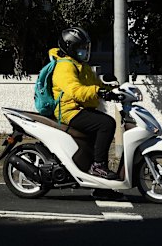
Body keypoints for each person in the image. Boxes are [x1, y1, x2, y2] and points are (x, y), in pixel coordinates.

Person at [49, 27, 119, 180]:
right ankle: (98, 166)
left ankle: (99, 184)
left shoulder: (81, 65)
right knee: (106, 124)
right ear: (70, 48)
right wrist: (97, 91)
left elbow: (96, 84)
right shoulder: (65, 66)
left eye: (85, 47)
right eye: (80, 48)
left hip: (80, 108)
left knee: (97, 133)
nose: (84, 51)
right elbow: (75, 90)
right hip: (69, 111)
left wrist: (113, 89)